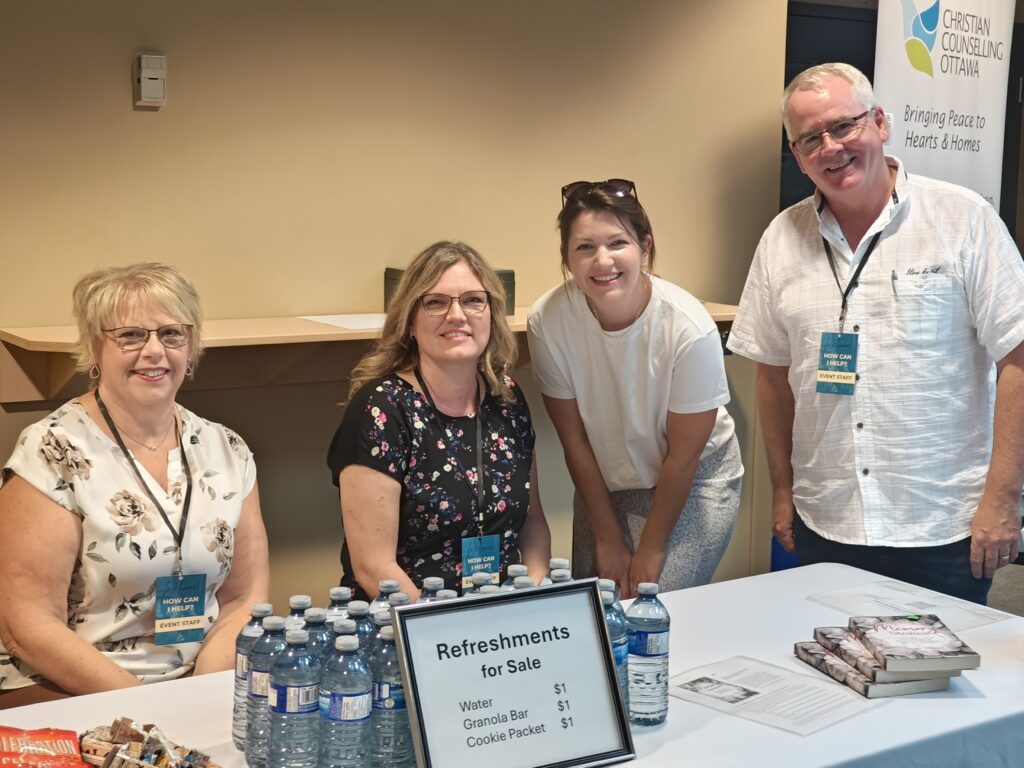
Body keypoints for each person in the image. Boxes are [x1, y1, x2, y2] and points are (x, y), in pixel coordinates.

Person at [727, 63, 1024, 604]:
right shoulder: (780, 239)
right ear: (797, 154)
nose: (831, 147)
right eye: (811, 138)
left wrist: (1004, 497)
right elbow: (772, 378)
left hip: (944, 525)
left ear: (880, 122)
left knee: (939, 684)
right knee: (834, 678)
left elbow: (1018, 359)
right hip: (828, 519)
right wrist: (783, 490)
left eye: (844, 126)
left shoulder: (963, 220)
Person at [0, 263, 269, 708]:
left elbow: (245, 597)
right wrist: (151, 708)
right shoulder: (52, 451)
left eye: (171, 334)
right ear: (95, 347)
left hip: (201, 681)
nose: (154, 351)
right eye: (130, 335)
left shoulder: (228, 449)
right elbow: (28, 625)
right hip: (70, 688)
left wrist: (204, 693)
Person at [528, 180, 743, 599]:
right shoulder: (549, 320)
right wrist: (608, 539)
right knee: (599, 609)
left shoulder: (689, 327)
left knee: (652, 604)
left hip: (691, 478)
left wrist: (652, 547)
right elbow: (574, 441)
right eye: (584, 247)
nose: (602, 260)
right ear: (567, 259)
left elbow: (683, 457)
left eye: (617, 242)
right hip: (605, 475)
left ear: (645, 247)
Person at [327, 240, 551, 600]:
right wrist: (444, 635)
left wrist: (533, 598)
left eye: (473, 300)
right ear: (410, 323)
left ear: (492, 315)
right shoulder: (382, 409)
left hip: (505, 623)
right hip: (406, 625)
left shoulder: (507, 398)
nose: (457, 315)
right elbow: (373, 568)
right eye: (435, 302)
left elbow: (533, 525)